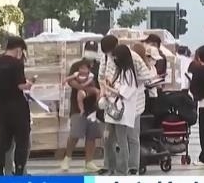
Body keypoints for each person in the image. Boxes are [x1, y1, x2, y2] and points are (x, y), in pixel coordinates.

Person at [97, 35, 155, 175]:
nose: (111, 56)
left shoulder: (133, 58)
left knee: (131, 137)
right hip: (112, 105)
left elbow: (147, 77)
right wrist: (104, 91)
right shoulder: (107, 58)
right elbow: (102, 77)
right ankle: (109, 165)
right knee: (108, 137)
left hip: (132, 105)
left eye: (111, 52)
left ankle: (132, 166)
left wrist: (130, 85)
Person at [0, 36, 34, 176]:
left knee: (3, 141)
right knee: (22, 141)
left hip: (2, 107)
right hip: (18, 107)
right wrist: (29, 84)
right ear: (18, 49)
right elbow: (21, 85)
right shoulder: (16, 64)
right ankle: (19, 171)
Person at [102, 45, 143, 175]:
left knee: (122, 141)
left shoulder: (128, 73)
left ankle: (122, 169)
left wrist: (108, 88)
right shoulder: (119, 71)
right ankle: (111, 166)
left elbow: (124, 93)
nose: (114, 59)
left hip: (121, 113)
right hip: (113, 110)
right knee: (108, 138)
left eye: (116, 56)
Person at [60, 56, 102, 173]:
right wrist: (84, 88)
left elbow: (99, 85)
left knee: (92, 135)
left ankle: (89, 162)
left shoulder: (99, 66)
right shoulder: (76, 65)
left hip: (93, 107)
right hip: (77, 107)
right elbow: (71, 81)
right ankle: (67, 158)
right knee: (75, 134)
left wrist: (96, 93)